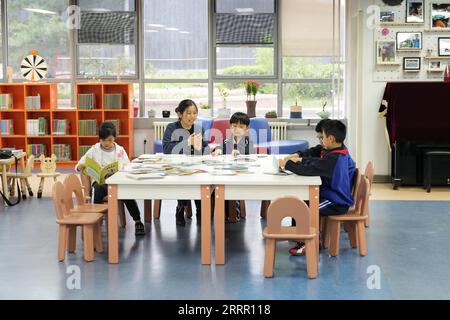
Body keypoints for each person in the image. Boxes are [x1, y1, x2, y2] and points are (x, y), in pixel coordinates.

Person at [278, 120, 356, 255]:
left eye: (322, 137)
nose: (320, 141)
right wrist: (299, 158)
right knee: (301, 203)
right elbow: (317, 158)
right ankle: (300, 235)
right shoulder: (335, 151)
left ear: (331, 138)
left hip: (336, 202)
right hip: (331, 196)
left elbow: (311, 169)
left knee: (305, 210)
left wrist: (288, 165)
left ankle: (309, 243)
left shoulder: (334, 158)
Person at [76, 122, 145, 236]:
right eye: (103, 140)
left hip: (117, 183)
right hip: (101, 183)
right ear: (100, 139)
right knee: (97, 189)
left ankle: (137, 221)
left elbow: (128, 166)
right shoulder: (94, 150)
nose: (106, 143)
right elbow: (80, 163)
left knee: (127, 194)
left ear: (114, 138)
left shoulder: (120, 150)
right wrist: (80, 167)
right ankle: (97, 218)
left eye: (109, 140)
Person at [162, 99, 210, 226]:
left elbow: (205, 148)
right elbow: (167, 150)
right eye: (188, 113)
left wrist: (210, 150)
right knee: (184, 178)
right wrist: (188, 142)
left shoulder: (199, 128)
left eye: (194, 113)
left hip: (196, 165)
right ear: (180, 114)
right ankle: (180, 208)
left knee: (201, 178)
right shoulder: (172, 128)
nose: (192, 116)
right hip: (177, 166)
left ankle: (200, 208)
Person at [212, 112, 256, 221]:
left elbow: (252, 157)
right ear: (230, 126)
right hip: (226, 172)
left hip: (241, 174)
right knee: (218, 185)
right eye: (234, 126)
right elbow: (219, 147)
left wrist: (240, 155)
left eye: (241, 127)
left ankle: (234, 212)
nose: (237, 129)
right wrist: (217, 150)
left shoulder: (247, 142)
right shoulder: (226, 141)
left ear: (246, 129)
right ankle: (224, 211)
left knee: (233, 187)